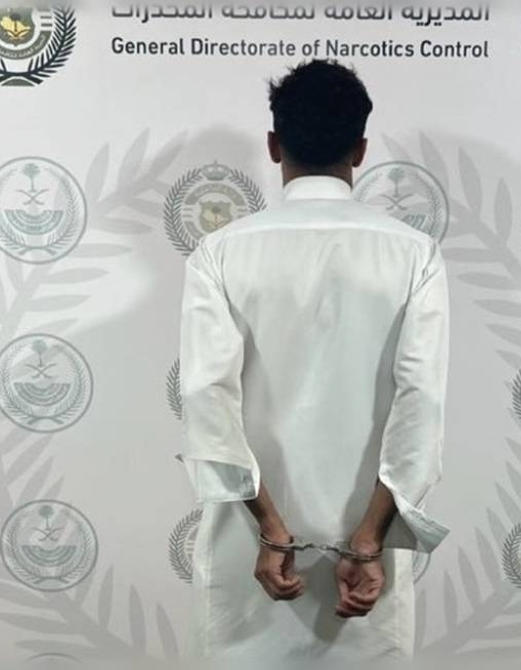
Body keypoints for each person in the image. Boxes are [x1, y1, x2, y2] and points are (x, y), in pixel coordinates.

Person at [178, 59, 450, 660]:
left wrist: (272, 530)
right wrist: (369, 539)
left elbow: (206, 396)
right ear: (361, 149)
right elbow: (421, 401)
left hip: (249, 545)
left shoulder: (220, 253)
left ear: (274, 145)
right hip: (367, 551)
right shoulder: (414, 255)